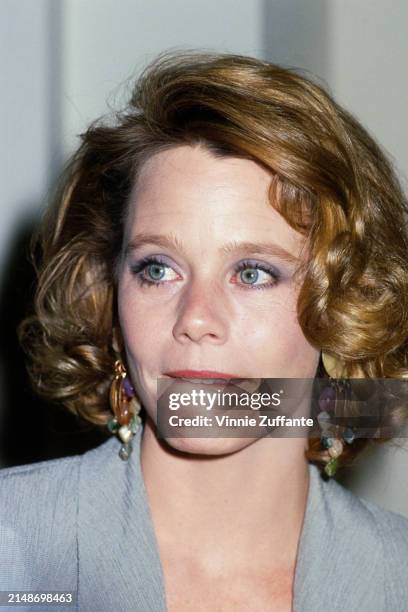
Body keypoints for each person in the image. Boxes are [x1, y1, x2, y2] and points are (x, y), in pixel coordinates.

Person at [1, 50, 408, 611]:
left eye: (253, 273)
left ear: (344, 309)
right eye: (158, 269)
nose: (195, 319)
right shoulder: (14, 551)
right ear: (109, 299)